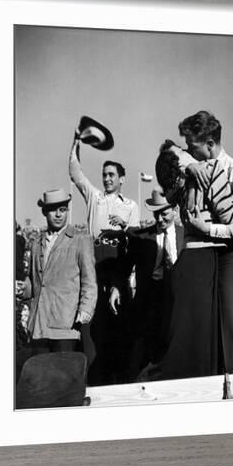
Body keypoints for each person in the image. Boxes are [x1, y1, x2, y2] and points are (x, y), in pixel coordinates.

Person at [153, 140, 233, 380]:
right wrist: (192, 167)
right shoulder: (202, 175)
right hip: (201, 260)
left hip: (198, 261)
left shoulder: (194, 177)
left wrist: (190, 167)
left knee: (196, 337)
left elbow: (171, 154)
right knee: (196, 339)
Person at [177, 111, 233, 374]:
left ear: (210, 144)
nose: (188, 150)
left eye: (193, 145)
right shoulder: (192, 167)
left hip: (232, 257)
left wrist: (208, 229)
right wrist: (186, 164)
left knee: (231, 333)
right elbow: (171, 154)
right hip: (203, 261)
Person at [69, 130, 140, 385]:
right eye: (104, 175)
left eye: (111, 175)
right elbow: (75, 174)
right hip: (93, 266)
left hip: (118, 268)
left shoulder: (131, 206)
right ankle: (93, 383)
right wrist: (76, 144)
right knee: (92, 327)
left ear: (122, 178)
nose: (107, 179)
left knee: (119, 326)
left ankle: (118, 382)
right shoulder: (94, 198)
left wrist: (122, 226)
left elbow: (133, 244)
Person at [15, 188, 97, 378]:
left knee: (63, 381)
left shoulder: (80, 240)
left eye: (63, 209)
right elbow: (34, 284)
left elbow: (89, 282)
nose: (59, 214)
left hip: (65, 325)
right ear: (44, 212)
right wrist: (22, 288)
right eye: (53, 210)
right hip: (38, 325)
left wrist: (85, 310)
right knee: (39, 381)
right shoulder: (36, 243)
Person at [109, 189, 184, 380]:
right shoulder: (141, 238)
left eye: (164, 213)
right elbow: (124, 266)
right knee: (139, 354)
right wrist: (116, 288)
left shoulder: (186, 237)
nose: (159, 219)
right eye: (156, 214)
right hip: (148, 303)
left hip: (176, 302)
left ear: (175, 210)